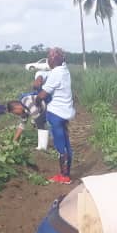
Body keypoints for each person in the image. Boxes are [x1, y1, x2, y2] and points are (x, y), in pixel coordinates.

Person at [37, 47, 75, 184]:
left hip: (56, 113)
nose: (48, 60)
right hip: (65, 113)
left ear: (53, 60)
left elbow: (43, 94)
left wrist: (36, 99)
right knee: (66, 144)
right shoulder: (64, 70)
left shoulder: (56, 73)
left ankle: (64, 176)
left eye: (50, 57)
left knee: (60, 146)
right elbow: (44, 73)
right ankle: (66, 173)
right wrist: (39, 76)